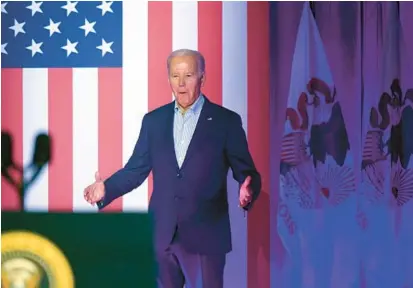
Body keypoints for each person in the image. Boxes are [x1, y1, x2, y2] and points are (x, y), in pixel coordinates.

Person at [84, 48, 261, 288]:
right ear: (168, 79)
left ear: (202, 78)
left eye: (188, 75)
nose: (181, 83)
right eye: (175, 76)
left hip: (205, 237)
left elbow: (247, 172)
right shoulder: (154, 121)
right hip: (162, 236)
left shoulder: (225, 121)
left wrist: (248, 187)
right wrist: (106, 188)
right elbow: (136, 170)